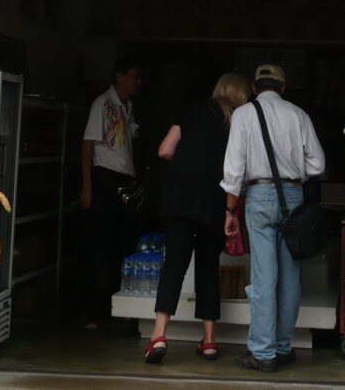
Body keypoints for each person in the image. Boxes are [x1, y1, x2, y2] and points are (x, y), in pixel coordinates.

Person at [221, 64, 325, 372]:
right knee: (290, 277)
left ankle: (263, 353)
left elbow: (233, 169)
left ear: (254, 88)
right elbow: (317, 165)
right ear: (283, 87)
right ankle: (282, 347)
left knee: (264, 278)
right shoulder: (298, 115)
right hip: (293, 198)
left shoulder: (243, 114)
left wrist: (230, 211)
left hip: (257, 196)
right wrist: (293, 175)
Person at [144, 72, 252, 364]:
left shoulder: (193, 109)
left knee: (174, 266)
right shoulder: (238, 122)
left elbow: (164, 150)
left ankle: (158, 335)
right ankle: (209, 341)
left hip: (181, 199)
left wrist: (187, 164)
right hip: (215, 202)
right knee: (208, 268)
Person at [79, 58, 143, 330]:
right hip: (104, 178)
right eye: (133, 76)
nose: (137, 81)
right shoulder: (102, 103)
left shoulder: (127, 106)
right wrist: (87, 187)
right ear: (119, 76)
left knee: (123, 244)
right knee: (99, 246)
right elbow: (87, 146)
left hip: (124, 179)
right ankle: (92, 311)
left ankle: (118, 308)